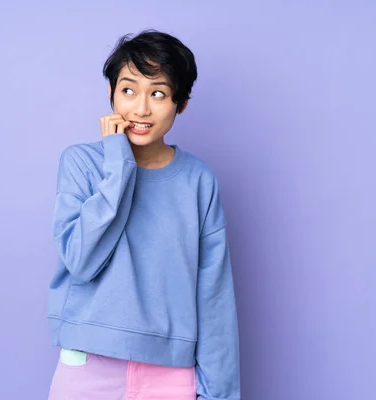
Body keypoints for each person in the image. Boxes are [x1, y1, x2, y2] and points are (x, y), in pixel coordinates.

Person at [46, 29, 240, 400]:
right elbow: (80, 261)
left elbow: (213, 296)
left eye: (158, 94)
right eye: (129, 90)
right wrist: (119, 165)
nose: (140, 109)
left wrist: (220, 394)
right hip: (90, 362)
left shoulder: (198, 180)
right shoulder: (82, 163)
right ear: (111, 94)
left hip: (170, 373)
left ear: (180, 104)